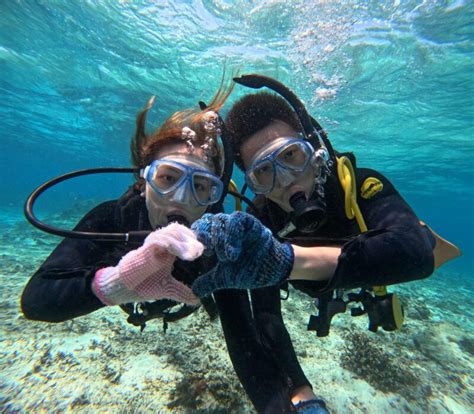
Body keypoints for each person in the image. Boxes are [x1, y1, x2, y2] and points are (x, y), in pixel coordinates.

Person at [21, 84, 312, 414]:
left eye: (201, 187)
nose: (181, 198)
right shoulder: (112, 219)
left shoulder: (215, 244)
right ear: (143, 181)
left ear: (214, 198)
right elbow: (36, 300)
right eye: (168, 178)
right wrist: (117, 282)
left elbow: (244, 339)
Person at [190, 74, 461, 412]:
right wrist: (301, 394)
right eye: (264, 173)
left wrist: (287, 261)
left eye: (292, 155)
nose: (287, 180)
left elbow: (417, 252)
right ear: (252, 183)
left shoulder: (360, 185)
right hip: (330, 273)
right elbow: (267, 317)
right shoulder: (261, 224)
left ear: (314, 149)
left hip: (370, 266)